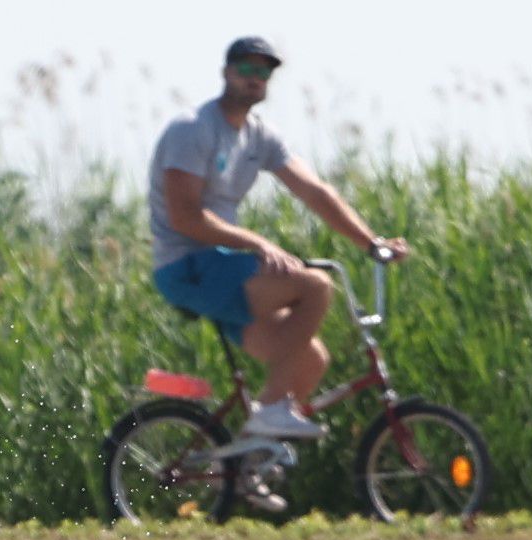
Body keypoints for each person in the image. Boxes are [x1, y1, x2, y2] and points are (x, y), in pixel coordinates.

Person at [147, 35, 410, 443]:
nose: (255, 77)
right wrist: (257, 243)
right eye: (247, 68)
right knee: (316, 286)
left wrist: (371, 244)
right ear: (226, 73)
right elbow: (186, 218)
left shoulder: (260, 136)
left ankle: (250, 463)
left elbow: (315, 192)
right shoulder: (193, 130)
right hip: (187, 267)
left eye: (264, 71)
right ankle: (268, 412)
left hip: (224, 270)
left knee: (310, 361)